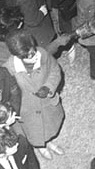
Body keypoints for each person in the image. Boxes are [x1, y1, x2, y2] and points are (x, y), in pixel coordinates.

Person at [4, 30, 65, 161]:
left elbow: (55, 70)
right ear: (18, 56)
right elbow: (6, 94)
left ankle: (48, 141)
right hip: (27, 110)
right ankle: (40, 146)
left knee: (50, 125)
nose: (35, 56)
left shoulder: (42, 54)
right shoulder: (8, 70)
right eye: (30, 56)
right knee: (35, 132)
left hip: (47, 104)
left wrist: (48, 87)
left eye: (34, 51)